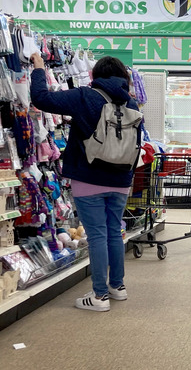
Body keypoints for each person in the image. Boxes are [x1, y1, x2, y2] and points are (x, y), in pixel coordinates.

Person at [30, 52, 139, 312]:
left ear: (93, 75)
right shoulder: (131, 103)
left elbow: (41, 98)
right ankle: (117, 287)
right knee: (114, 231)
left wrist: (38, 69)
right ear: (124, 77)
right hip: (121, 178)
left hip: (89, 176)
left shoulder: (85, 96)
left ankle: (99, 296)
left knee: (98, 234)